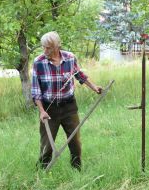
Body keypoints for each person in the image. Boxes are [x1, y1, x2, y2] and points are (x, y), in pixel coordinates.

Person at [32, 31, 102, 170]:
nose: (45, 50)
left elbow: (79, 75)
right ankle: (42, 171)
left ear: (57, 46)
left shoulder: (70, 58)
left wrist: (94, 87)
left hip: (69, 107)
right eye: (43, 47)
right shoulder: (38, 62)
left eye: (48, 48)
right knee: (47, 145)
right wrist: (41, 111)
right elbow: (35, 90)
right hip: (48, 109)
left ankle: (76, 170)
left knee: (75, 142)